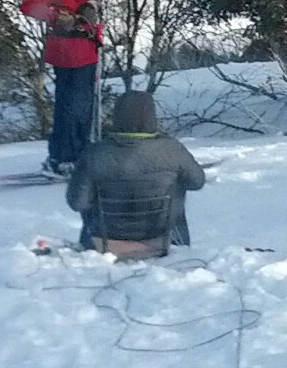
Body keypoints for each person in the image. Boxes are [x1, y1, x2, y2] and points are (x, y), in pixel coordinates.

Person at [65, 90, 205, 257]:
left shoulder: (94, 153)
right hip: (161, 241)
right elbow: (197, 182)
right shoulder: (171, 150)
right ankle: (176, 243)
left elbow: (77, 203)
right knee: (177, 183)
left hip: (103, 244)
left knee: (89, 190)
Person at [20, 0, 109, 177]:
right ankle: (61, 158)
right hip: (66, 52)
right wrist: (56, 16)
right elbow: (29, 5)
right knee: (69, 108)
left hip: (87, 48)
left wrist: (91, 5)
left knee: (84, 107)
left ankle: (79, 155)